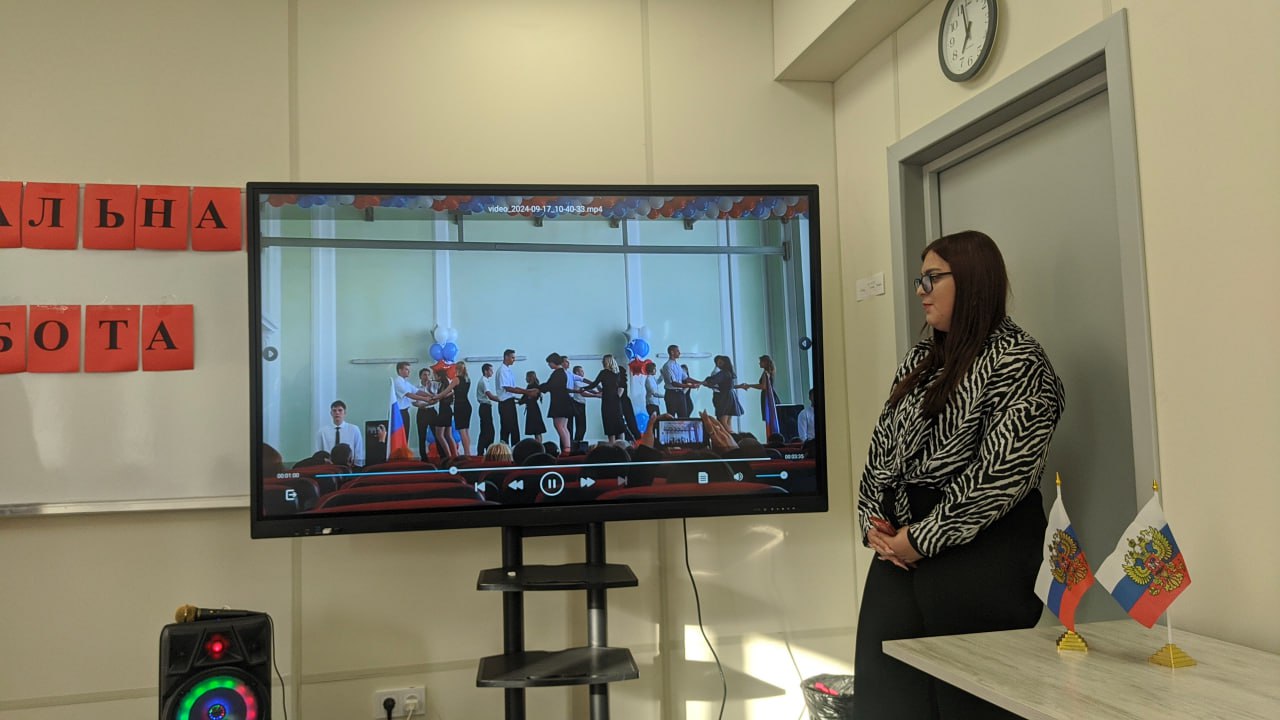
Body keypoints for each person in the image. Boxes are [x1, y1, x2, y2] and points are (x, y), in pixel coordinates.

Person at [853, 230, 1065, 720]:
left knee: (969, 701)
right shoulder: (920, 360)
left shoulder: (1020, 361)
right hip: (899, 551)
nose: (921, 290)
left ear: (972, 281)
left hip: (982, 554)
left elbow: (1001, 476)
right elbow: (881, 449)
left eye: (933, 278)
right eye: (919, 280)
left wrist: (921, 539)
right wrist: (873, 522)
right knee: (888, 693)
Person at [582, 354, 626, 443]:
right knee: (619, 423)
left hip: (607, 400)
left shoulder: (603, 373)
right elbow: (621, 387)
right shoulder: (618, 374)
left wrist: (584, 388)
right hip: (616, 401)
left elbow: (594, 384)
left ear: (606, 362)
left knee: (609, 424)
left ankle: (612, 444)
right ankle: (622, 445)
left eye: (603, 361)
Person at [537, 353, 573, 455]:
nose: (549, 365)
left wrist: (539, 387)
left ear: (553, 362)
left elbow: (550, 385)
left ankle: (567, 448)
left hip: (559, 402)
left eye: (549, 363)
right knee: (564, 427)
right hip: (564, 401)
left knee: (559, 426)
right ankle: (568, 447)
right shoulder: (562, 372)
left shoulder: (557, 373)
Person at [497, 349, 535, 446]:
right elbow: (508, 388)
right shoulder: (502, 370)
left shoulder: (508, 370)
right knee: (508, 429)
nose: (514, 360)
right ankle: (507, 450)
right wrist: (527, 392)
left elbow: (512, 389)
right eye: (512, 357)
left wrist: (521, 397)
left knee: (512, 428)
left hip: (509, 402)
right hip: (505, 404)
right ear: (506, 357)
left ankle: (514, 449)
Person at [736, 354, 781, 435]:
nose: (759, 363)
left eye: (761, 362)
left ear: (765, 362)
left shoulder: (765, 373)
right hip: (770, 395)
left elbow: (763, 386)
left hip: (767, 397)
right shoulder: (770, 372)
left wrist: (749, 385)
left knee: (768, 418)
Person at [393, 361, 433, 450]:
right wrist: (425, 399)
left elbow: (417, 391)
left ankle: (404, 453)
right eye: (406, 369)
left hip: (405, 412)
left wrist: (431, 395)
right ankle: (399, 455)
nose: (409, 371)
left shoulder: (405, 382)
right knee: (401, 435)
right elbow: (409, 395)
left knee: (406, 434)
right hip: (399, 413)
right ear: (400, 370)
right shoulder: (398, 382)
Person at [315, 400, 365, 467]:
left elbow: (358, 451)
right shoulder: (322, 431)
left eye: (340, 410)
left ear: (345, 413)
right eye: (334, 410)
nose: (337, 413)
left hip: (349, 466)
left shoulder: (354, 429)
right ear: (331, 413)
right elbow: (318, 452)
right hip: (329, 467)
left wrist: (358, 467)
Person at [702, 355, 744, 433]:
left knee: (723, 422)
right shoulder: (728, 372)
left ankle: (732, 437)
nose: (718, 364)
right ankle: (733, 437)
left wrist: (705, 382)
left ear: (725, 363)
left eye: (720, 362)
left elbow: (713, 380)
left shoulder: (723, 373)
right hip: (730, 397)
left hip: (723, 398)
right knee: (728, 422)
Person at [660, 345, 698, 417]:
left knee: (683, 416)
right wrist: (689, 386)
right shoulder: (667, 366)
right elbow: (674, 383)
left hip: (680, 394)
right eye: (677, 351)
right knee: (671, 417)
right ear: (672, 352)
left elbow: (686, 378)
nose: (679, 353)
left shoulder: (678, 366)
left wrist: (700, 382)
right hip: (671, 394)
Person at [431, 366, 458, 461]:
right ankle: (455, 456)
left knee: (439, 435)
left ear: (439, 376)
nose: (434, 377)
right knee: (448, 435)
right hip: (447, 410)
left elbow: (444, 395)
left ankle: (449, 456)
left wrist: (435, 397)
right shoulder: (446, 384)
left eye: (435, 375)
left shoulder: (444, 385)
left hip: (444, 411)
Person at [414, 367, 439, 462]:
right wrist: (421, 405)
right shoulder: (416, 388)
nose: (427, 377)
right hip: (421, 412)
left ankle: (441, 455)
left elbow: (437, 399)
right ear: (420, 376)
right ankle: (424, 458)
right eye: (424, 375)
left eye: (428, 375)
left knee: (438, 435)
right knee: (422, 436)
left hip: (432, 411)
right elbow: (413, 402)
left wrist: (427, 404)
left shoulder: (434, 386)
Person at [567, 363, 595, 451]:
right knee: (580, 426)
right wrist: (597, 395)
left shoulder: (580, 381)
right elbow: (583, 392)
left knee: (581, 427)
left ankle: (577, 444)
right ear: (576, 372)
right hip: (577, 404)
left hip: (581, 404)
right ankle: (575, 446)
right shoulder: (575, 381)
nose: (583, 373)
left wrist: (596, 392)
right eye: (581, 371)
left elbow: (587, 388)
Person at [476, 363, 499, 455]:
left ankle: (482, 451)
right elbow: (490, 396)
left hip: (485, 407)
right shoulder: (484, 381)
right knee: (488, 431)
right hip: (485, 407)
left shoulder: (485, 380)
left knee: (486, 430)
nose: (492, 372)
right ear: (485, 371)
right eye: (491, 370)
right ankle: (484, 452)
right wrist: (502, 399)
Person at [453, 361, 474, 457]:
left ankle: (467, 453)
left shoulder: (456, 379)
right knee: (466, 431)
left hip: (459, 406)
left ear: (457, 369)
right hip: (467, 405)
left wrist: (437, 396)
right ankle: (468, 452)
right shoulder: (467, 379)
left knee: (462, 431)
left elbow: (447, 390)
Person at [520, 370, 546, 442]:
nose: (525, 379)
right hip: (535, 408)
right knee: (538, 431)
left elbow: (524, 397)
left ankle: (538, 445)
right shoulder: (536, 386)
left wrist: (520, 401)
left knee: (536, 430)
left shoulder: (530, 386)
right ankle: (540, 445)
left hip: (532, 409)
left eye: (526, 377)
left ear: (529, 377)